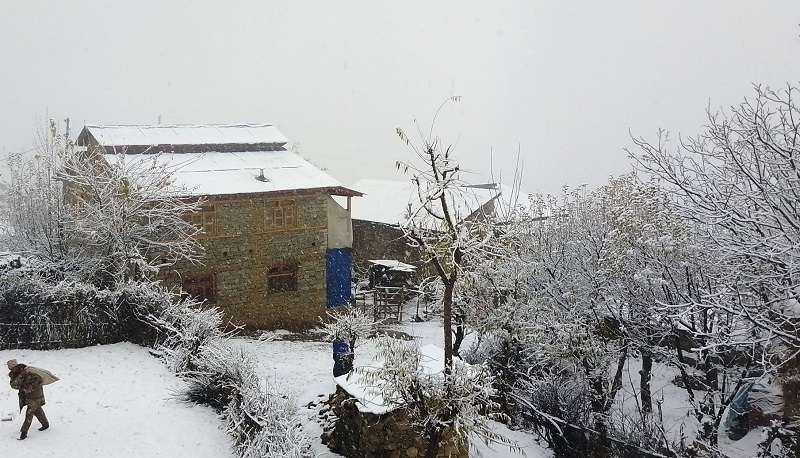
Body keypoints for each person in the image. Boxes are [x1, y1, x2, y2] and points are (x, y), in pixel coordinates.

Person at [7, 359, 56, 440]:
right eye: (10, 369)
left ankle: (24, 432)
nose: (12, 370)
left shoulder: (28, 371)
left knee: (29, 413)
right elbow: (13, 385)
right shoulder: (15, 374)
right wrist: (21, 383)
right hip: (27, 396)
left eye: (12, 368)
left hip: (35, 395)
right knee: (37, 410)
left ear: (16, 366)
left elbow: (39, 380)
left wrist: (28, 388)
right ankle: (45, 424)